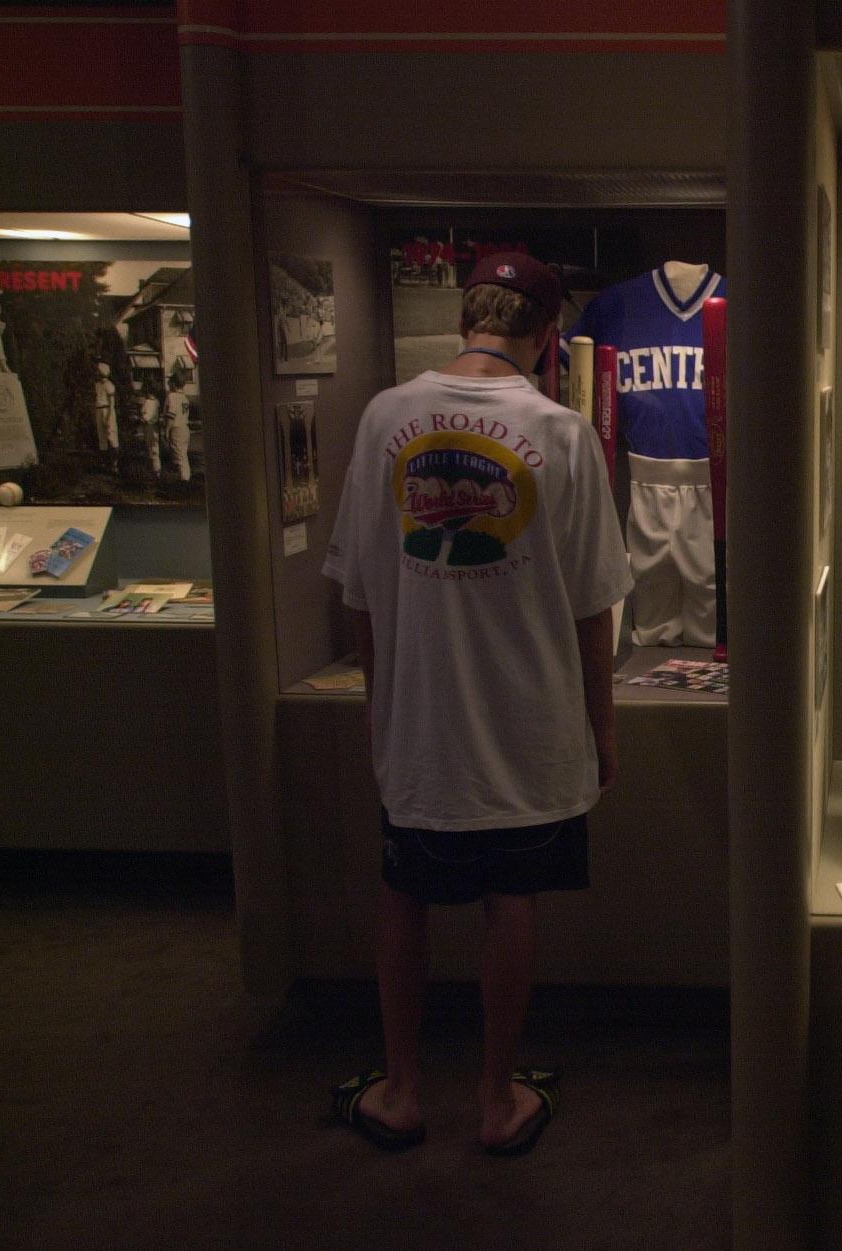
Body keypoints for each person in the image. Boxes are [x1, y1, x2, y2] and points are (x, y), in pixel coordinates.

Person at [322, 253, 632, 1157]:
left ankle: (401, 1088)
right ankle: (497, 1100)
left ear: (466, 321)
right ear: (546, 339)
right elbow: (592, 609)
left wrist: (385, 713)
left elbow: (359, 591)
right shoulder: (564, 434)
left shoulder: (386, 416)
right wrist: (601, 729)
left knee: (402, 895)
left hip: (419, 721)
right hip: (528, 720)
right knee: (512, 896)